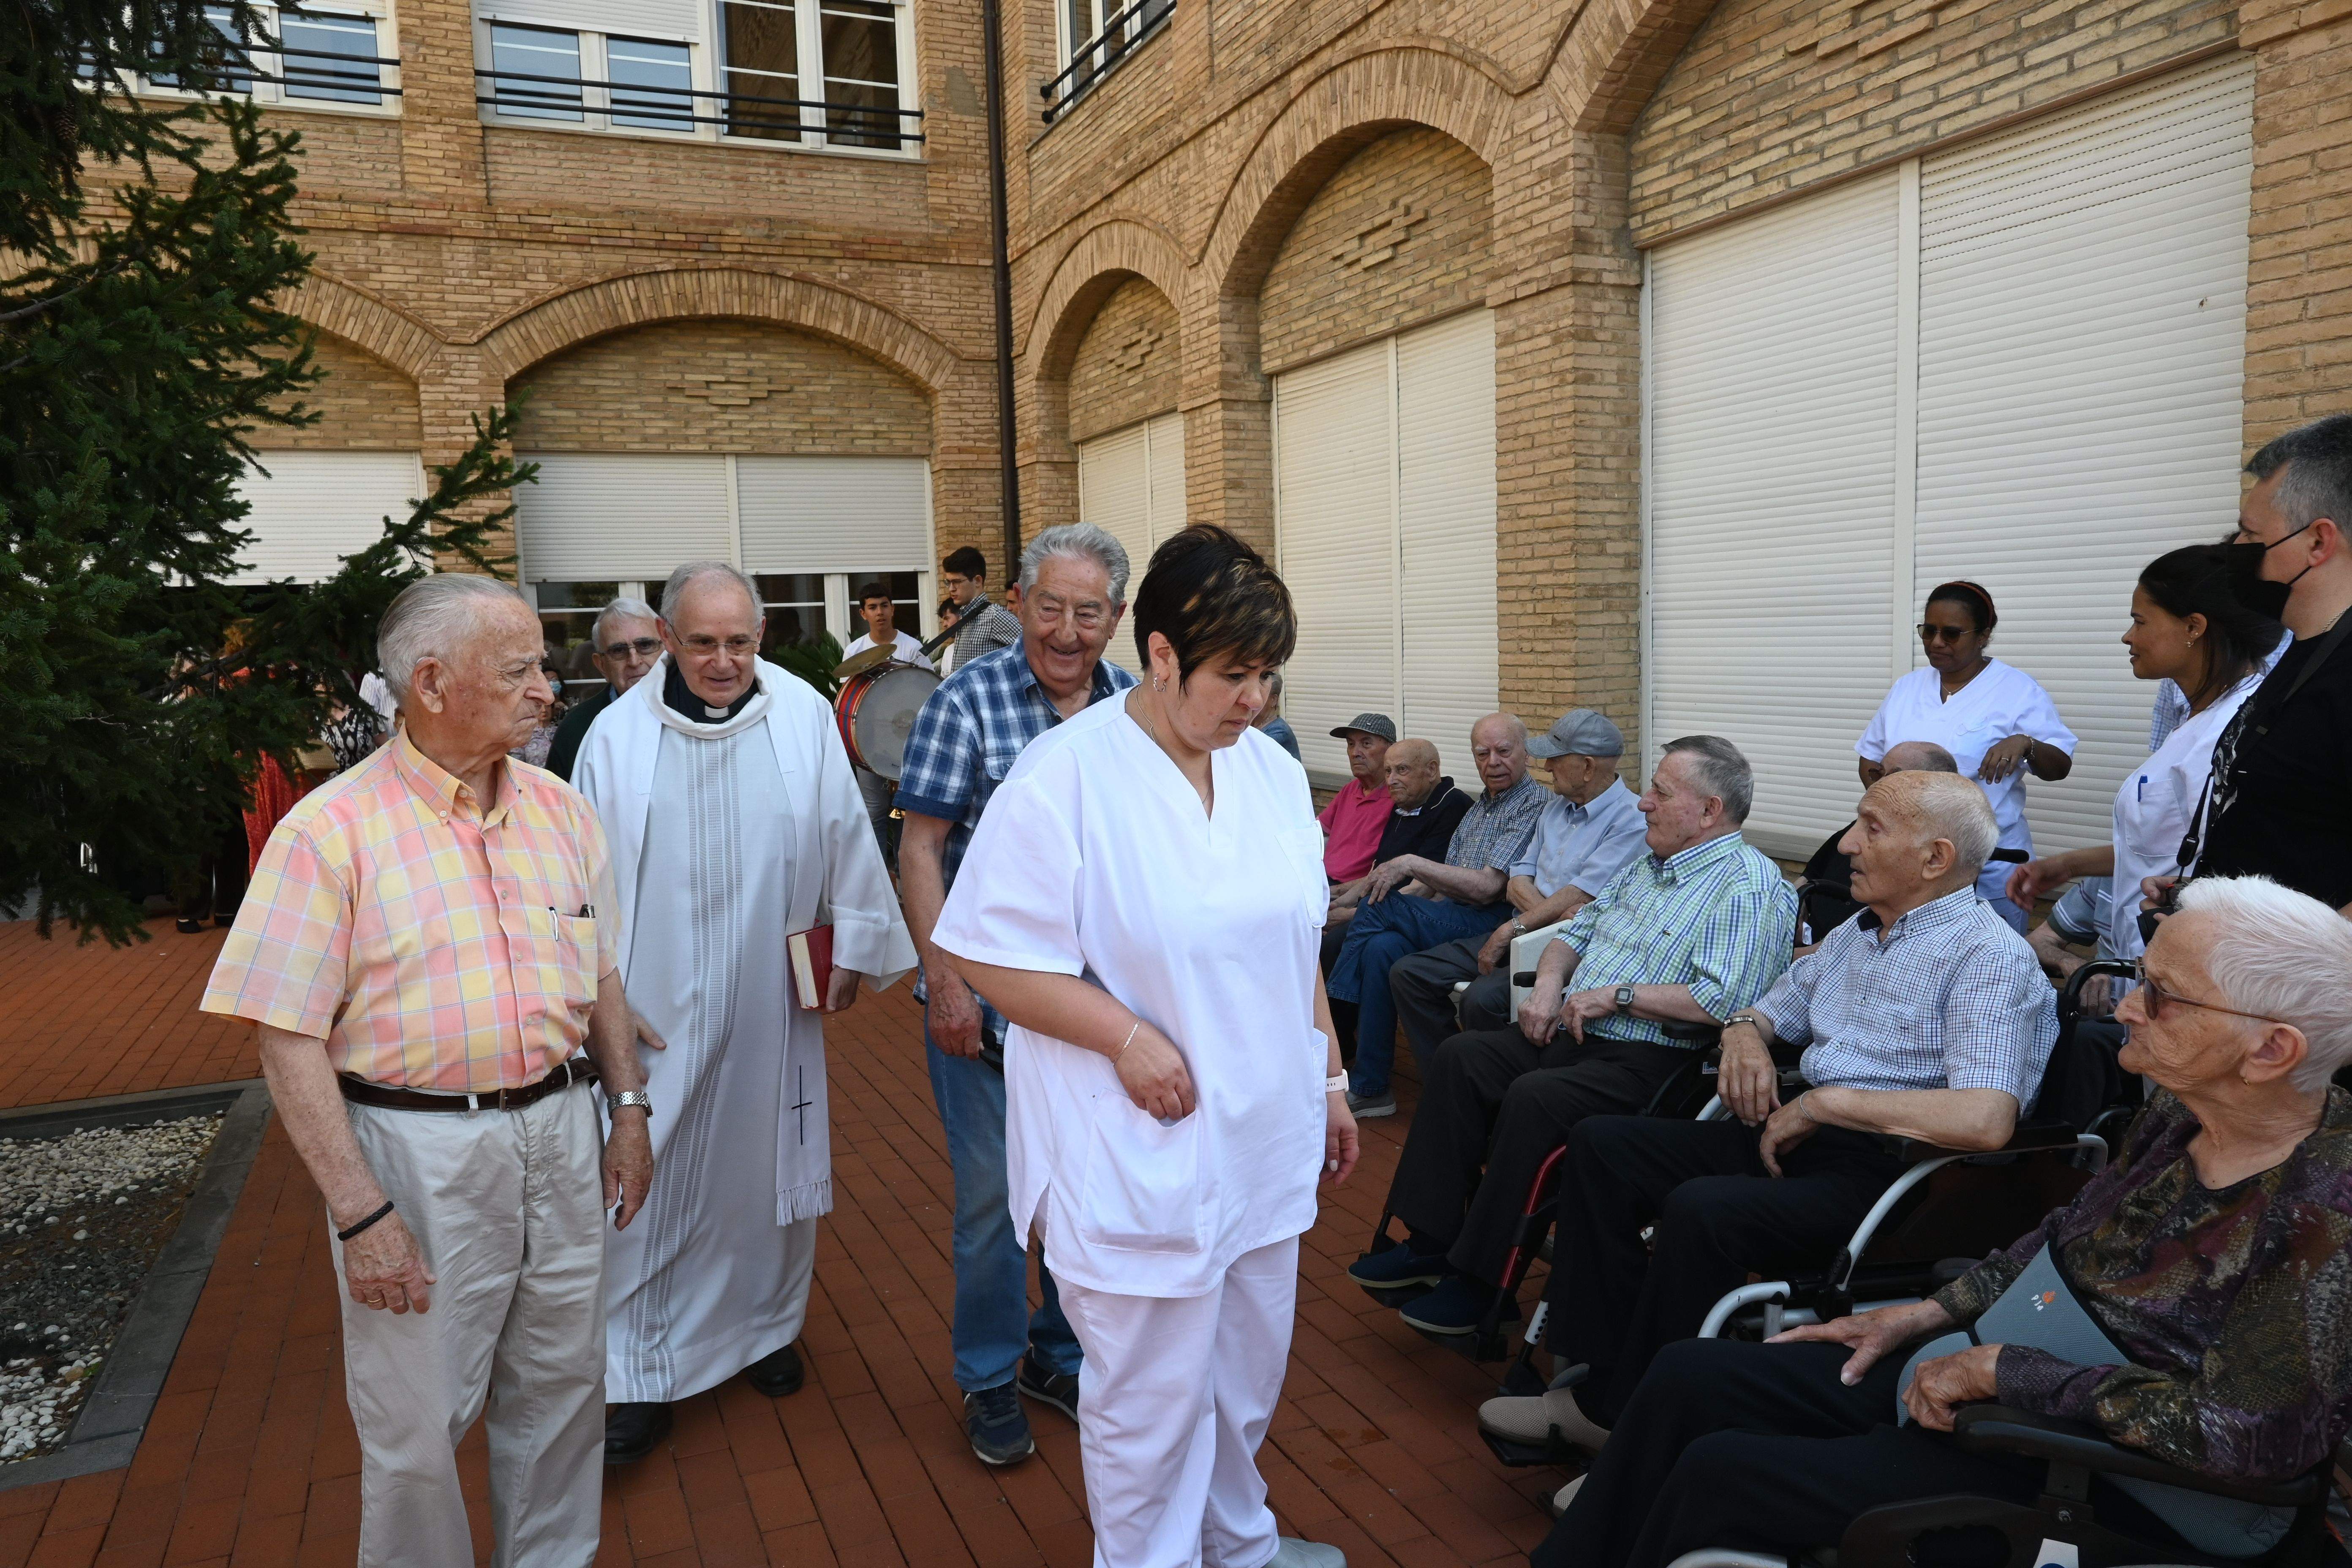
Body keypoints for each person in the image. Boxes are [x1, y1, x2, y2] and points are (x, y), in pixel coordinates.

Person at [1538, 874, 2352, 1568]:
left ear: (2271, 1050)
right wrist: (1926, 1314)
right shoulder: (2182, 1113)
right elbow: (2068, 1237)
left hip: (2119, 1479)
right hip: (2024, 1378)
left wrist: (2003, 1371)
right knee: (1692, 1372)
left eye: (2162, 995)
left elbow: (2247, 1439)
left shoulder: (2324, 1209)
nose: (2129, 1008)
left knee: (1725, 1469)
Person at [199, 574, 656, 1567]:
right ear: (434, 683)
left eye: (543, 664)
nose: (550, 687)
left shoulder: (562, 812)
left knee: (564, 1391)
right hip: (416, 1154)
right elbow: (286, 1037)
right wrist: (361, 1214)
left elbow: (601, 972)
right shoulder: (329, 832)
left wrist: (627, 1110)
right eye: (523, 668)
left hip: (560, 1136)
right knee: (416, 1427)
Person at [931, 524, 1357, 1568]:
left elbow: (1293, 944)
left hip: (1260, 1135)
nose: (1254, 698)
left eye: (1268, 674)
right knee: (1146, 1408)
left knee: (1243, 1383)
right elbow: (988, 956)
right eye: (1233, 673)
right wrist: (1123, 1037)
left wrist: (1331, 1077)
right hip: (1134, 1148)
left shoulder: (1265, 772)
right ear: (1161, 652)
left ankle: (1237, 1547)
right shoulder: (1066, 774)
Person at [1482, 771, 2056, 1463]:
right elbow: (1764, 1007)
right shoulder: (1858, 934)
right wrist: (1744, 1036)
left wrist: (1825, 1101)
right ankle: (1599, 1379)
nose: (1846, 844)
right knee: (1603, 1143)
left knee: (1703, 1209)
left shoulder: (1986, 958)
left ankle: (1643, 1424)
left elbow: (1986, 1117)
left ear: (1935, 858)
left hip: (1896, 1177)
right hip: (1802, 1138)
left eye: (1870, 828)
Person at [572, 562, 917, 1465]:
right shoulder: (616, 736)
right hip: (660, 999)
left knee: (767, 1164)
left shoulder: (801, 712)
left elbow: (846, 828)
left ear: (760, 636)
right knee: (648, 1168)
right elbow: (582, 883)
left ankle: (763, 1327)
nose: (722, 661)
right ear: (669, 639)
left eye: (740, 641)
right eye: (702, 642)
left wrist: (854, 944)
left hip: (772, 989)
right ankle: (638, 1372)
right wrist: (603, 997)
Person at [1348, 737, 1797, 1336]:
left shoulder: (1750, 887)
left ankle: (1484, 1285)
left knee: (1536, 1099)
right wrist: (1548, 985)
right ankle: (1432, 1241)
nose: (1643, 805)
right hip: (1577, 1031)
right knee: (1461, 1058)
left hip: (1656, 1063)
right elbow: (1577, 929)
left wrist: (1618, 995)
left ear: (1710, 811)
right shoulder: (1649, 866)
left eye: (1660, 793)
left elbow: (1723, 1002)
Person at [896, 524, 1136, 1466]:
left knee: (1080, 1197)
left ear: (1116, 620)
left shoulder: (1134, 711)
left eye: (1089, 612)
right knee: (994, 1204)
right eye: (1051, 607)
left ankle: (1059, 1354)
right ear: (1020, 604)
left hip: (1094, 1013)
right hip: (987, 1010)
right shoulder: (966, 701)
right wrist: (946, 981)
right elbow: (921, 847)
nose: (1068, 631)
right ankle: (991, 1375)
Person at [2007, 545, 2283, 966]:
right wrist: (2067, 865)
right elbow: (2162, 849)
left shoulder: (2230, 736)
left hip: (2183, 967)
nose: (2127, 636)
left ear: (2193, 627)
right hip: (2143, 961)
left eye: (2140, 621)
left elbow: (2220, 868)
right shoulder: (2195, 721)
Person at [2154, 414, 2352, 915]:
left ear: (2318, 542)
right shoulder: (2301, 652)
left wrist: (2307, 957)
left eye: (2249, 533)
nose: (2236, 551)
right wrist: (2199, 893)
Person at [1385, 710, 1648, 1074]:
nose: (1548, 766)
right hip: (1528, 929)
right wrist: (1536, 920)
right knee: (1409, 973)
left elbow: (1580, 896)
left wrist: (1516, 928)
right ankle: (1447, 1081)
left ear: (1587, 767)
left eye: (1556, 759)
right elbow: (1516, 881)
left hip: (1571, 945)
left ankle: (1495, 1088)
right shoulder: (1555, 809)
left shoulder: (1632, 819)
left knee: (1480, 999)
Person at [1325, 714, 1549, 1117]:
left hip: (1491, 919)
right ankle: (1372, 1086)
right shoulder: (1482, 805)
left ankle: (1339, 997)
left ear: (1526, 753)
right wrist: (1409, 884)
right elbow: (1437, 882)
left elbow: (1488, 888)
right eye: (1483, 753)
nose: (1492, 761)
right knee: (1381, 948)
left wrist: (1409, 866)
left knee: (1385, 907)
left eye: (1503, 751)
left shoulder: (1530, 804)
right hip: (1452, 913)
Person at [1857, 581, 2076, 930]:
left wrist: (2027, 744)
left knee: (1989, 960)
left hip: (1989, 861)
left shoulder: (2017, 691)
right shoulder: (1908, 688)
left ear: (1984, 635)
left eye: (1952, 633)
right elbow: (1869, 758)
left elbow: (2060, 765)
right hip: (1912, 859)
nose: (1937, 642)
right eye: (1928, 631)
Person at [1320, 740, 1471, 975]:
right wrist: (1339, 901)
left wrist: (1351, 914)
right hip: (1381, 907)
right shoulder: (1404, 804)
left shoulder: (1451, 805)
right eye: (1388, 771)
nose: (1391, 780)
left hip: (1416, 913)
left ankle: (1334, 1010)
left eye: (1402, 770)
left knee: (1335, 944)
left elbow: (1424, 889)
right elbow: (1376, 874)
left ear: (1431, 770)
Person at [1791, 740, 1959, 950]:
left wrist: (1788, 956)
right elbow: (1810, 873)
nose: (1878, 786)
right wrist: (1790, 912)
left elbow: (1865, 939)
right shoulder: (1859, 827)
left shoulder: (1921, 850)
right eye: (1878, 774)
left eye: (1891, 777)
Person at [841, 580, 936, 867]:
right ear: (863, 614)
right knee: (874, 814)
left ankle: (906, 880)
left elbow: (928, 691)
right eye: (873, 607)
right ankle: (879, 881)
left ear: (893, 609)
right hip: (870, 745)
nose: (880, 612)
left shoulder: (912, 648)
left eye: (884, 605)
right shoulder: (855, 651)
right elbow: (849, 701)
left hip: (908, 742)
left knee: (906, 815)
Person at [547, 598, 661, 783]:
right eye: (619, 651)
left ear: (666, 650)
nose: (634, 661)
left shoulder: (697, 711)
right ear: (601, 665)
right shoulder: (577, 727)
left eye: (645, 646)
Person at [1317, 714, 1394, 882]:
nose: (1355, 753)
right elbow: (1316, 831)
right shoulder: (1351, 789)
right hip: (1319, 879)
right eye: (1351, 744)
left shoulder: (1398, 797)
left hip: (1353, 891)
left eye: (1366, 744)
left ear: (1390, 749)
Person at [941, 544, 1023, 670]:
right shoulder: (964, 618)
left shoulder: (995, 616)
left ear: (977, 581)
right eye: (949, 583)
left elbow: (1033, 653)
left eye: (956, 582)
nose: (951, 588)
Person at [1253, 670, 1303, 762]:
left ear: (1274, 700)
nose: (1255, 700)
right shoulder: (1252, 723)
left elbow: (1250, 757)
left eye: (1262, 695)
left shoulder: (1280, 732)